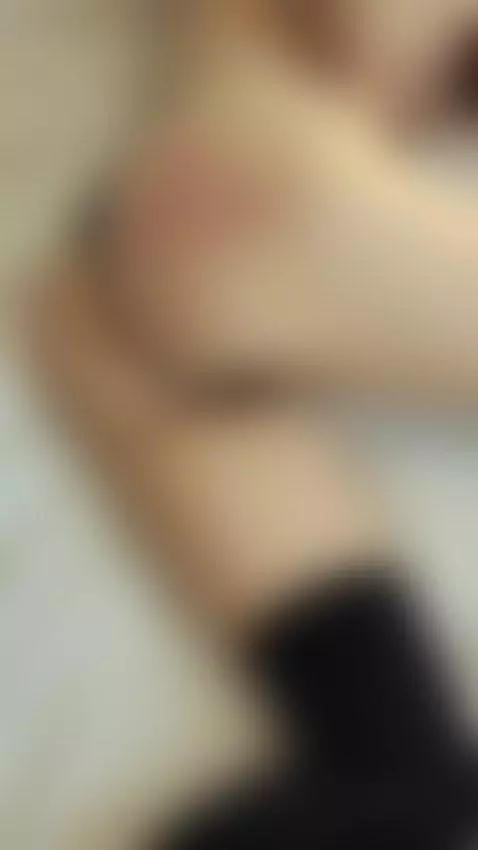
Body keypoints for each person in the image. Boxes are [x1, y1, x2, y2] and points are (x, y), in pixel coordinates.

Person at [36, 1, 478, 847]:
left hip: (221, 206)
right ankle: (392, 763)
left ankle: (392, 764)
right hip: (262, 185)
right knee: (96, 308)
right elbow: (372, 37)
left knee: (102, 309)